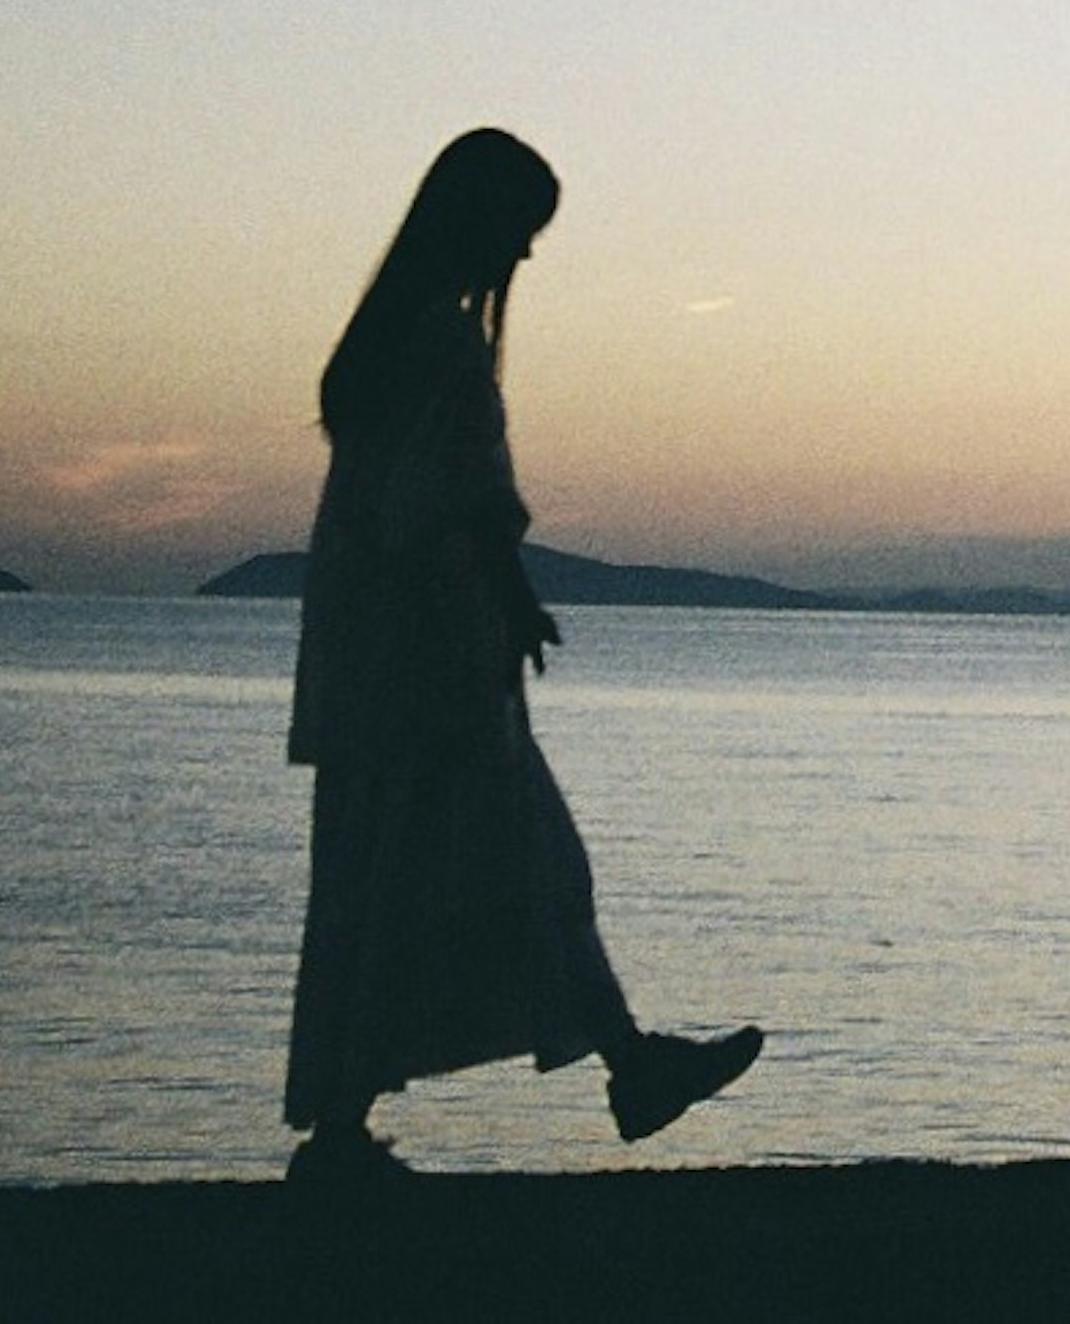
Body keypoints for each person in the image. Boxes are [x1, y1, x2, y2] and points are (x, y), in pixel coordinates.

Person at [281, 126, 761, 1179]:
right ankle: (356, 1129)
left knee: (409, 882)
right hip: (431, 662)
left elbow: (413, 503)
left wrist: (506, 603)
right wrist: (509, 601)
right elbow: (455, 503)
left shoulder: (387, 343)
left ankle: (607, 1069)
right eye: (524, 232)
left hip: (381, 659)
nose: (529, 257)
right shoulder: (438, 347)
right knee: (499, 874)